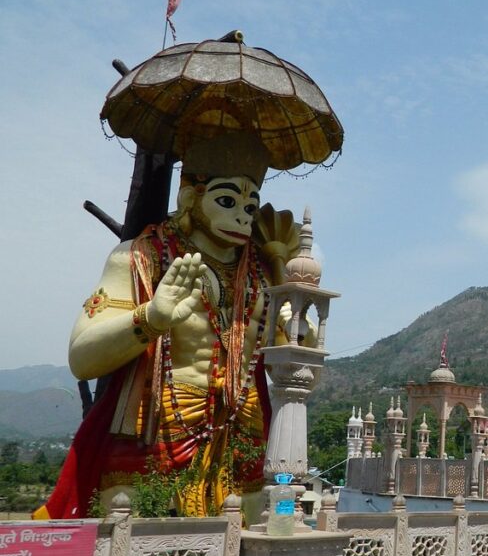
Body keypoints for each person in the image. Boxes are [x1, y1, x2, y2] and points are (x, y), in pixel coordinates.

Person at [35, 131, 298, 523]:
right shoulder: (141, 257)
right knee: (138, 545)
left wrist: (298, 332)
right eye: (227, 201)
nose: (243, 216)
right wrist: (151, 319)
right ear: (189, 197)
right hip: (154, 433)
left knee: (242, 549)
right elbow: (82, 358)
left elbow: (297, 374)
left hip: (244, 439)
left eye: (251, 205)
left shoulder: (263, 275)